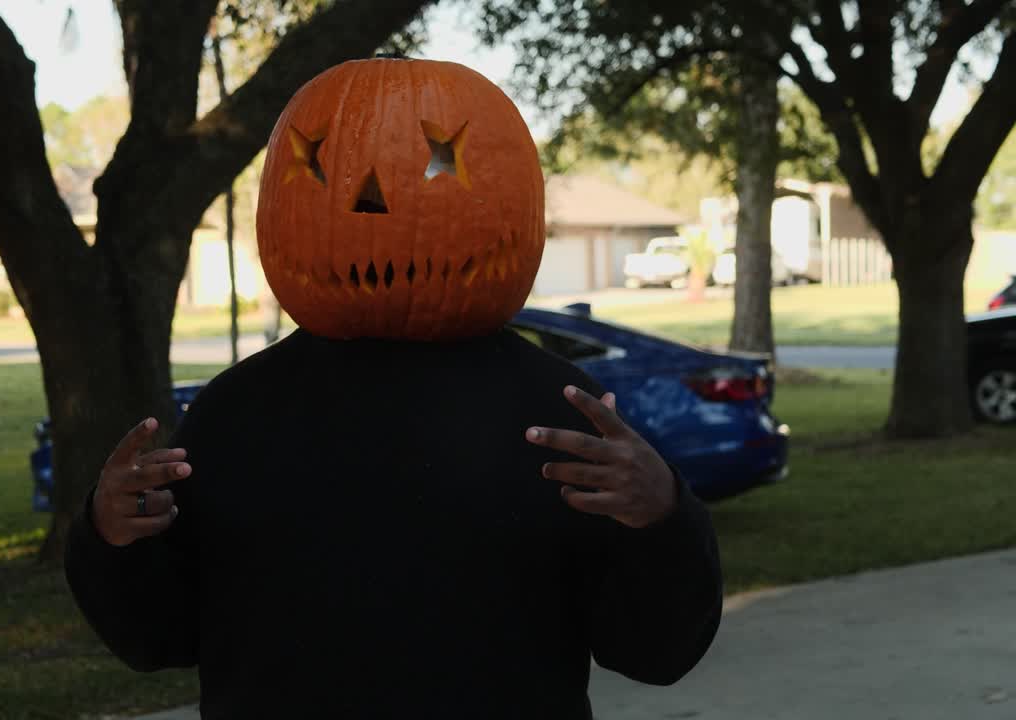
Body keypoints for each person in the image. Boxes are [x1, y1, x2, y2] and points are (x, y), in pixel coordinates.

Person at [65, 57, 720, 720]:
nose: (370, 199)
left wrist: (661, 518)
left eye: (444, 159)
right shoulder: (236, 416)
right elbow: (160, 638)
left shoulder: (561, 415)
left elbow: (655, 652)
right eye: (314, 163)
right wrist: (112, 537)